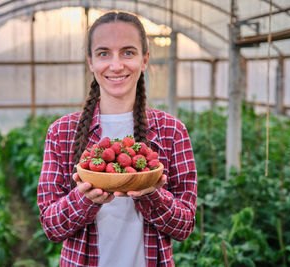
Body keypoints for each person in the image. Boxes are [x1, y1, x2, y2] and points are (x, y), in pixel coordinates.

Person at [37, 11, 197, 266]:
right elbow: (51, 227)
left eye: (128, 52)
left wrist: (151, 194)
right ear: (90, 61)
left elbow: (185, 225)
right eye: (103, 53)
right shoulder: (61, 132)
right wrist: (84, 198)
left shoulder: (172, 131)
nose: (116, 65)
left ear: (145, 60)